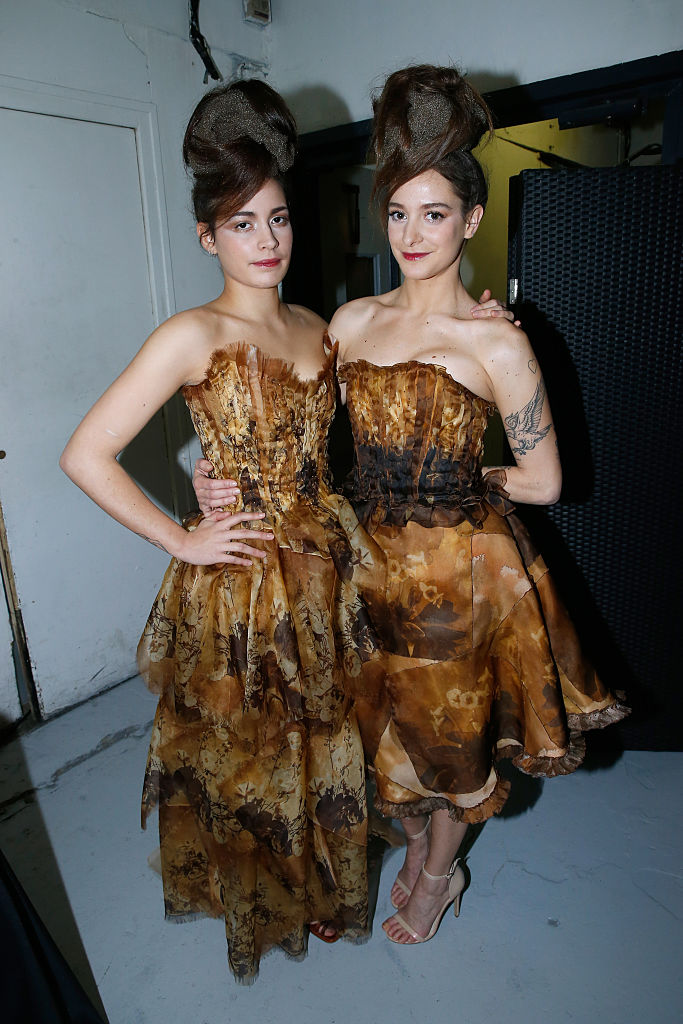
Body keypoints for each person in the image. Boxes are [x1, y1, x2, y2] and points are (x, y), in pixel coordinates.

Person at [60, 79, 370, 983]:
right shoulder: (189, 333)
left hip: (323, 569)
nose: (266, 241)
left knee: (325, 742)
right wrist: (181, 536)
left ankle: (318, 883)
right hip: (237, 588)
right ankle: (264, 895)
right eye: (242, 224)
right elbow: (87, 454)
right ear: (207, 235)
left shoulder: (320, 327)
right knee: (254, 756)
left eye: (276, 218)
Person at [323, 64, 629, 946]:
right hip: (365, 581)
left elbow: (542, 482)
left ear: (472, 219)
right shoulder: (348, 323)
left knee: (451, 752)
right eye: (397, 211)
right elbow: (295, 438)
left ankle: (436, 871)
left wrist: (470, 483)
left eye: (434, 212)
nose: (412, 232)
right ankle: (421, 850)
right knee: (382, 746)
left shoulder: (497, 341)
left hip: (458, 590)